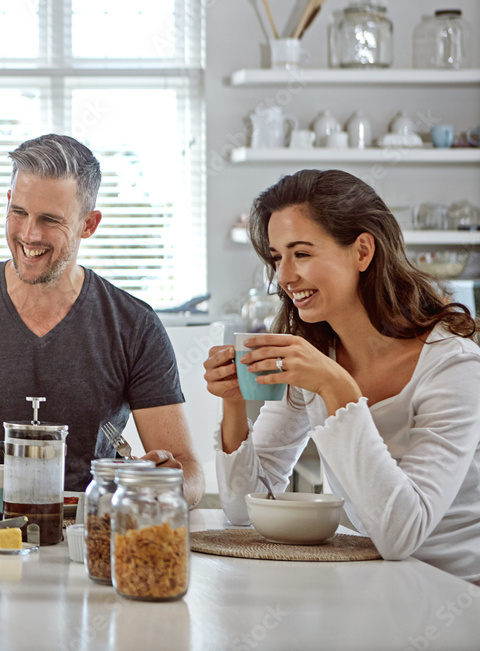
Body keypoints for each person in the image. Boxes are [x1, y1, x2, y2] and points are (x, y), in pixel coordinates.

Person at [0, 133, 203, 510]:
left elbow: (187, 469)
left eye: (50, 220)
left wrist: (167, 484)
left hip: (88, 534)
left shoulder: (135, 325)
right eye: (19, 212)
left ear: (88, 224)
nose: (29, 234)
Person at [204, 169, 480, 584]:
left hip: (455, 591)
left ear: (362, 251)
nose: (283, 277)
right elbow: (244, 509)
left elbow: (401, 535)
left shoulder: (454, 365)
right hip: (372, 580)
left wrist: (336, 389)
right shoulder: (315, 352)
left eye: (302, 254)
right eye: (278, 257)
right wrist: (234, 403)